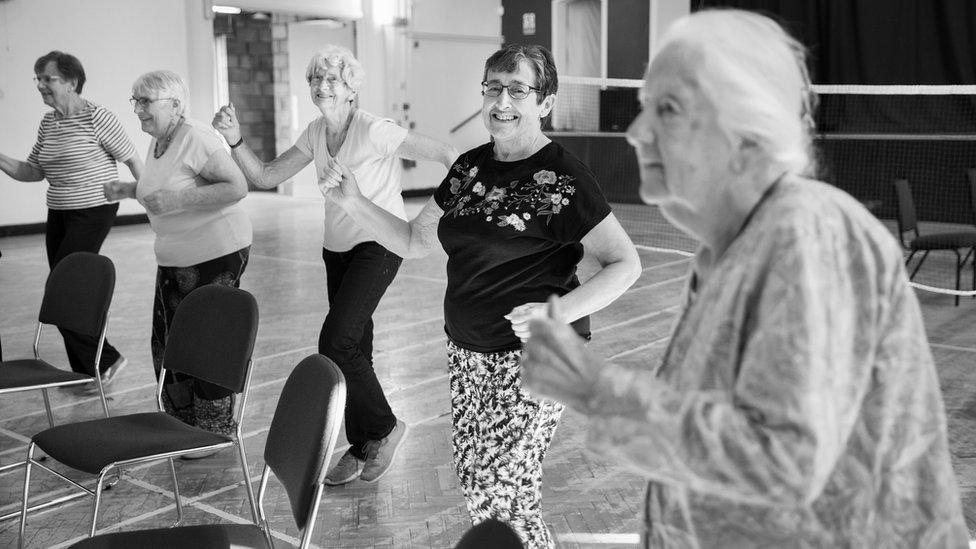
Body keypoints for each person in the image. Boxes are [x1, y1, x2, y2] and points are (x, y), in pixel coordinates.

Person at [520, 10, 969, 548]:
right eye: (643, 108)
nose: (637, 133)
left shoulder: (805, 236)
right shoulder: (731, 248)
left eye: (668, 109)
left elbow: (784, 461)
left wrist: (596, 391)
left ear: (748, 132)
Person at [320, 44, 641, 548]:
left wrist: (558, 312)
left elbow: (626, 263)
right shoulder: (468, 168)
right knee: (477, 482)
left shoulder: (565, 178)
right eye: (493, 88)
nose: (503, 101)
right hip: (468, 351)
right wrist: (355, 202)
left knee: (500, 489)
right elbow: (413, 241)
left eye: (518, 89)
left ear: (546, 102)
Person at [211, 45, 456, 483]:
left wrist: (437, 216)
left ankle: (386, 427)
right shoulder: (315, 133)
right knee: (355, 348)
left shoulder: (375, 130)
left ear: (350, 89)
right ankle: (362, 446)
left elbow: (448, 155)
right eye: (315, 80)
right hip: (336, 248)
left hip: (379, 244)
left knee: (335, 340)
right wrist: (234, 140)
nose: (322, 87)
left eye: (333, 80)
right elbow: (265, 176)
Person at [104, 70, 251, 442]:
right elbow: (164, 187)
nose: (137, 110)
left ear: (175, 105)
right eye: (134, 101)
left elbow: (236, 186)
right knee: (169, 340)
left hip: (215, 254)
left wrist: (178, 200)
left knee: (206, 342)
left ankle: (214, 432)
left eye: (145, 102)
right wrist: (127, 188)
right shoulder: (159, 142)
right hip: (174, 257)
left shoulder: (195, 137)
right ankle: (184, 423)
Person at [0, 51, 142, 389]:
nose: (40, 86)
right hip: (59, 211)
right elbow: (34, 171)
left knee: (62, 288)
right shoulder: (49, 122)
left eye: (47, 79)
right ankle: (88, 371)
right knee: (67, 288)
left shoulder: (98, 118)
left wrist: (149, 198)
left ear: (72, 82)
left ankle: (104, 360)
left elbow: (134, 161)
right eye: (38, 79)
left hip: (93, 209)